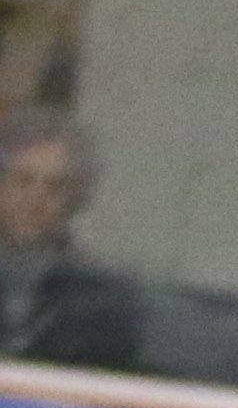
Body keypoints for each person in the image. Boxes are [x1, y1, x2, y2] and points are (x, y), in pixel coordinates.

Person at [0, 111, 147, 374]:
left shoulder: (102, 295)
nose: (35, 198)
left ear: (77, 198)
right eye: (23, 180)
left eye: (55, 187)